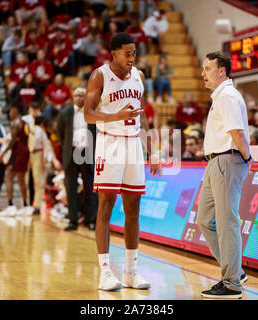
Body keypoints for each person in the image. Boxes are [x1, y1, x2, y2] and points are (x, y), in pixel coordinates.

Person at [84, 33, 161, 291]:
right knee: (106, 204)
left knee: (134, 208)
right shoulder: (100, 75)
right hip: (110, 143)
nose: (131, 58)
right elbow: (88, 113)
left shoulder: (139, 77)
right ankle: (105, 272)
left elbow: (143, 117)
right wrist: (117, 115)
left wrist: (153, 151)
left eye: (134, 53)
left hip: (133, 146)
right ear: (113, 53)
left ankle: (130, 272)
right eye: (127, 53)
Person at [196, 51, 251, 299]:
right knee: (205, 220)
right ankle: (235, 270)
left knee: (227, 221)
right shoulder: (220, 96)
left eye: (207, 69)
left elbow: (237, 132)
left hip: (227, 159)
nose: (202, 73)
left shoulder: (227, 95)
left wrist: (247, 157)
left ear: (222, 71)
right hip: (215, 162)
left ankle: (231, 284)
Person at [57, 87, 98, 231]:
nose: (79, 98)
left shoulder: (93, 113)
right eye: (76, 95)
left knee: (90, 188)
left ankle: (90, 220)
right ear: (72, 97)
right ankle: (73, 220)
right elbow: (60, 135)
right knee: (70, 189)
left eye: (82, 95)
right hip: (72, 152)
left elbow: (97, 134)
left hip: (88, 152)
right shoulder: (65, 113)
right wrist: (68, 149)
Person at [0, 105, 31, 216]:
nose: (9, 114)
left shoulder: (15, 123)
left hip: (17, 152)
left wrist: (3, 152)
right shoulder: (25, 122)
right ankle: (26, 206)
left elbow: (12, 141)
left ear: (16, 110)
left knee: (9, 177)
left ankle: (10, 205)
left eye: (10, 111)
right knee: (21, 180)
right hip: (25, 151)